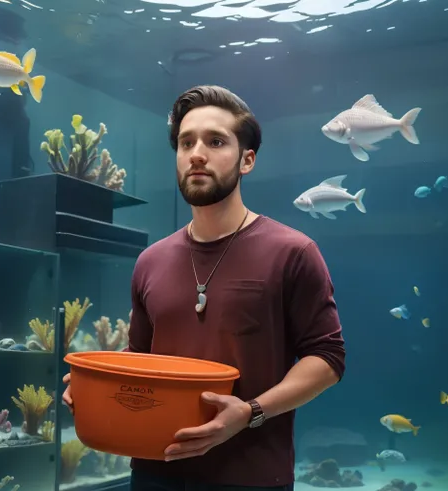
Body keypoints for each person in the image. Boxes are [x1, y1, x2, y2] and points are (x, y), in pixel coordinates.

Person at [62, 85, 346, 491]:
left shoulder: (294, 252)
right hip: (152, 472)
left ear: (247, 159)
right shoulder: (151, 261)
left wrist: (251, 412)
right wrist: (96, 387)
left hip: (252, 477)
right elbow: (140, 359)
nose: (197, 153)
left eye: (216, 141)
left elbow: (327, 358)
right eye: (186, 142)